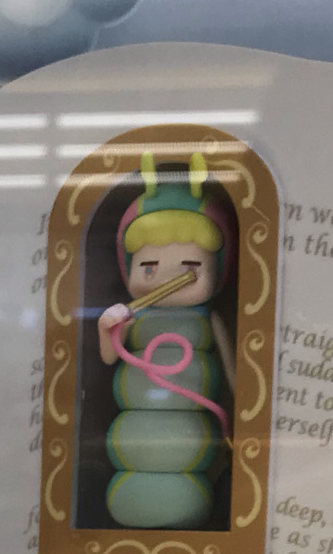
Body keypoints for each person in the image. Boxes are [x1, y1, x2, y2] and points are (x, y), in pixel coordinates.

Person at [92, 152, 234, 531]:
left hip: (189, 439)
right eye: (149, 268)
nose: (168, 279)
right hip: (134, 437)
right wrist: (107, 329)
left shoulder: (208, 320)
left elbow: (233, 372)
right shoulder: (133, 318)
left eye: (190, 268)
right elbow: (109, 358)